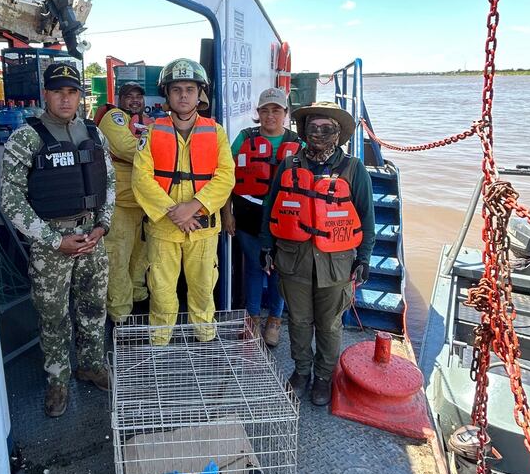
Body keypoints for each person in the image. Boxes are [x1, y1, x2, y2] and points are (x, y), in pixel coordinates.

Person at [1, 62, 116, 417]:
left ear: (80, 95)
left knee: (94, 309)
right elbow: (11, 199)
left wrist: (103, 226)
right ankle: (57, 380)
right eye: (58, 92)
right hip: (52, 243)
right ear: (46, 94)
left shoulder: (95, 134)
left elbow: (109, 183)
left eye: (72, 92)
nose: (65, 99)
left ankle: (91, 364)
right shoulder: (27, 137)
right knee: (52, 316)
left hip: (92, 237)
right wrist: (53, 240)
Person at [260, 101, 375, 406]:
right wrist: (266, 248)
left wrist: (364, 259)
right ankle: (301, 372)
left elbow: (367, 218)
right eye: (313, 127)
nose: (319, 133)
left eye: (327, 128)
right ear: (304, 130)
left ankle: (323, 376)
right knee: (297, 322)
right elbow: (270, 209)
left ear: (338, 133)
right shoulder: (289, 166)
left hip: (336, 265)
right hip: (292, 259)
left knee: (329, 325)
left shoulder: (354, 169)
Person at [132, 58, 235, 345]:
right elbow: (141, 179)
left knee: (203, 288)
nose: (183, 95)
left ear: (200, 92)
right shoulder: (151, 132)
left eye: (190, 88)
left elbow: (226, 176)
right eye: (176, 89)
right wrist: (173, 212)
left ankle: (205, 338)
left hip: (203, 228)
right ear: (167, 94)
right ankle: (159, 341)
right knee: (162, 290)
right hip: (163, 228)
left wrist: (194, 206)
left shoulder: (216, 132)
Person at [221, 87, 303, 346]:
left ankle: (275, 321)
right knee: (255, 268)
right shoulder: (244, 139)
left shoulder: (298, 145)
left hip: (285, 220)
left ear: (285, 113)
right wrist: (227, 213)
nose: (270, 115)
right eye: (264, 110)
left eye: (276, 110)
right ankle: (253, 319)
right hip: (248, 216)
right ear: (258, 113)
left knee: (279, 270)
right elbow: (226, 178)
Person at [97, 81, 153, 323]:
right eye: (128, 96)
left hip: (145, 202)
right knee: (118, 258)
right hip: (119, 202)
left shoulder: (149, 121)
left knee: (142, 258)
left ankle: (138, 299)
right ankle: (120, 314)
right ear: (119, 98)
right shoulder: (113, 118)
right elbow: (127, 147)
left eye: (138, 96)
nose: (134, 101)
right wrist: (161, 153)